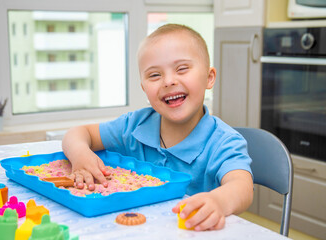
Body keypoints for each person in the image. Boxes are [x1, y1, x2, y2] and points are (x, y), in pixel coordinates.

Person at [62, 24, 253, 231]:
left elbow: (241, 187)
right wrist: (80, 154)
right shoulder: (133, 126)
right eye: (154, 75)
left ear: (209, 77)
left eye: (182, 69)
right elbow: (79, 133)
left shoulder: (224, 141)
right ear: (144, 88)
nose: (169, 81)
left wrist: (219, 201)